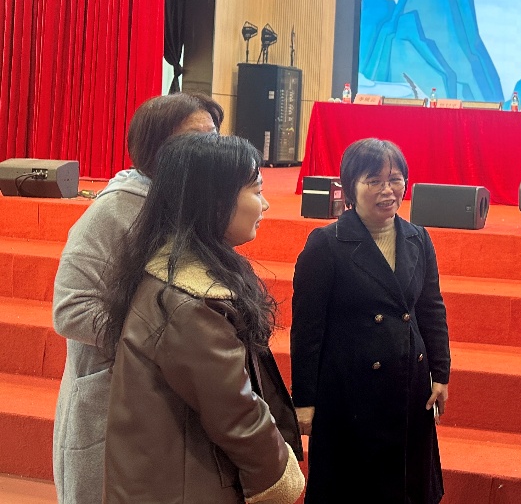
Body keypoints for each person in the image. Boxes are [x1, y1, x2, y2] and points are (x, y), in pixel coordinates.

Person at [98, 132, 304, 503]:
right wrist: (278, 478)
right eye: (257, 191)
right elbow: (236, 415)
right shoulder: (189, 301)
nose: (265, 204)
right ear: (215, 200)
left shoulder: (176, 270)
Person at [51, 92, 222, 504]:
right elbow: (70, 309)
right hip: (113, 399)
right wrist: (157, 338)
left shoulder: (190, 206)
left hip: (164, 398)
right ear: (155, 149)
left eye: (214, 137)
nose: (211, 150)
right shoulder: (113, 211)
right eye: (196, 139)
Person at [291, 138, 451, 503]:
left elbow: (431, 309)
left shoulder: (417, 237)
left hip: (409, 383)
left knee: (407, 487)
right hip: (350, 392)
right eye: (373, 181)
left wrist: (440, 373)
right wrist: (304, 399)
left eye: (395, 179)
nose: (387, 190)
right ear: (350, 187)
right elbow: (307, 331)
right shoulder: (326, 243)